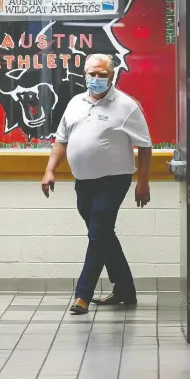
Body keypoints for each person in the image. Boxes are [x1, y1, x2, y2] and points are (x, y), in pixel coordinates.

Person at [41, 53, 152, 315]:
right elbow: (61, 139)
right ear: (85, 75)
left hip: (114, 181)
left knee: (98, 233)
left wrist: (143, 183)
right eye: (92, 73)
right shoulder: (75, 103)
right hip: (84, 182)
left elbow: (146, 147)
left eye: (102, 74)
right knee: (102, 235)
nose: (96, 78)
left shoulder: (127, 106)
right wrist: (49, 170)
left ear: (112, 76)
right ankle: (125, 290)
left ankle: (83, 295)